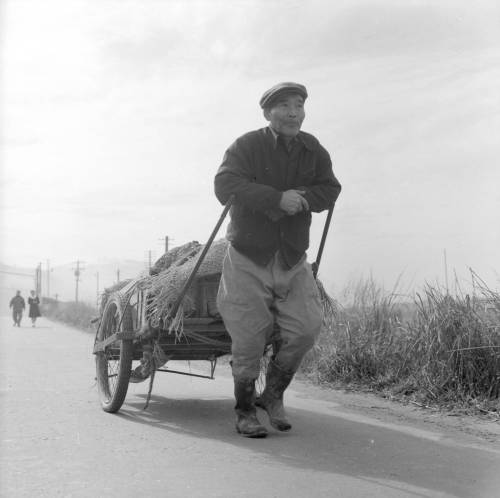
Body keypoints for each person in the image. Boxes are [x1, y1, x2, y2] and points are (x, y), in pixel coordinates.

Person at [214, 82, 342, 438]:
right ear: (267, 112)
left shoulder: (312, 149)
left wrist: (302, 198)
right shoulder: (247, 146)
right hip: (248, 256)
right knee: (249, 338)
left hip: (291, 258)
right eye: (284, 105)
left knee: (306, 328)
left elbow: (331, 189)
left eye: (299, 105)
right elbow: (225, 185)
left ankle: (271, 395)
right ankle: (244, 412)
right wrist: (275, 199)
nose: (293, 112)